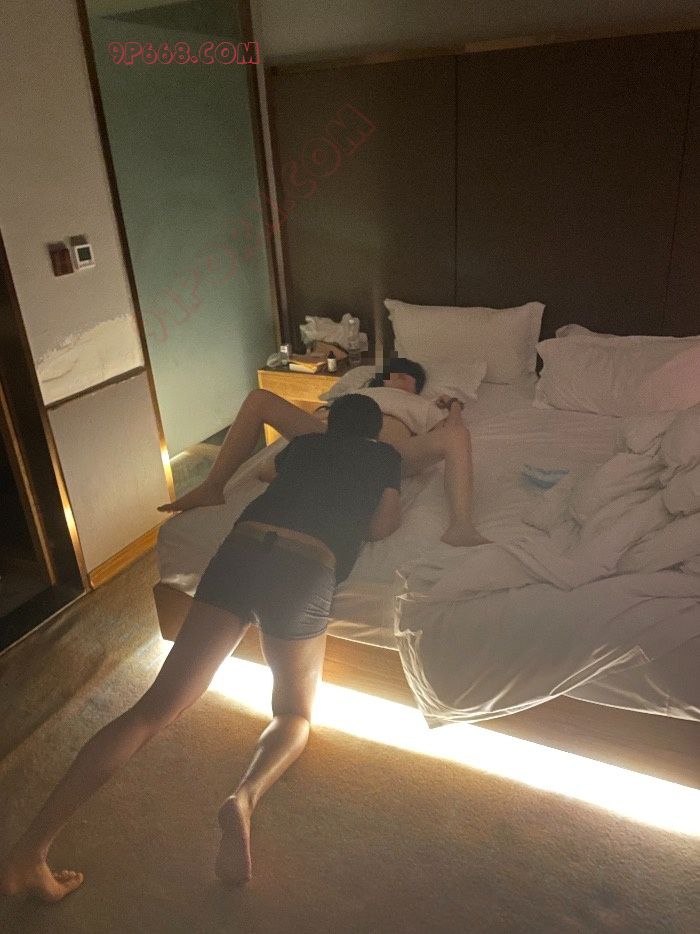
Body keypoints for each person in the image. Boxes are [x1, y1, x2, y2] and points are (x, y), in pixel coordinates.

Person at [0, 395, 402, 901]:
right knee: (293, 713)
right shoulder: (385, 457)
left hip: (242, 549)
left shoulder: (303, 445)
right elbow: (383, 526)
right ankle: (244, 797)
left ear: (328, 421)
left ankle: (29, 853)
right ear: (376, 431)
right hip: (304, 569)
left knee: (151, 710)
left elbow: (266, 475)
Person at [160, 357, 487, 547]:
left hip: (385, 452)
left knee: (459, 436)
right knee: (259, 398)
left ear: (418, 388)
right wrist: (318, 420)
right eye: (396, 373)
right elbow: (321, 415)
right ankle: (213, 486)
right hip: (330, 435)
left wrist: (454, 406)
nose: (402, 379)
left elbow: (446, 433)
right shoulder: (357, 392)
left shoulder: (421, 405)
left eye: (410, 378)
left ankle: (461, 525)